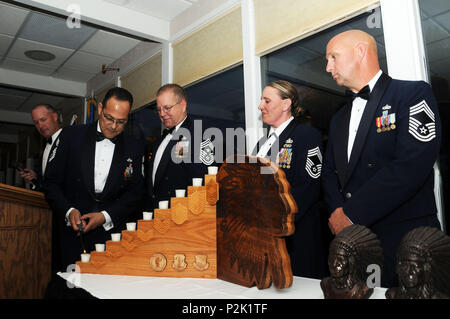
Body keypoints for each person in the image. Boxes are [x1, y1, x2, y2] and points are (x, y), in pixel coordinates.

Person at [322, 29, 442, 288]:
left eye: (333, 57)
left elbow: (411, 165)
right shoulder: (337, 118)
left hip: (406, 240)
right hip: (353, 239)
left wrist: (351, 214)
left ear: (360, 52)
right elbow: (329, 172)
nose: (328, 66)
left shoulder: (412, 95)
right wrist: (337, 214)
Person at [43, 87, 146, 269]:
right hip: (71, 234)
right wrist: (69, 211)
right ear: (99, 109)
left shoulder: (134, 146)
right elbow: (51, 183)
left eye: (121, 122)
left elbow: (135, 193)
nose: (114, 126)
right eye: (109, 118)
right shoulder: (71, 136)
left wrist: (105, 216)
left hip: (111, 236)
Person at [252, 80, 327, 279]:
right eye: (261, 101)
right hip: (263, 236)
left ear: (286, 104)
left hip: (295, 237)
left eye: (267, 101)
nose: (261, 106)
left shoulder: (306, 135)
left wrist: (275, 220)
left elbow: (309, 187)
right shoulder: (262, 144)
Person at [147, 84, 217, 210]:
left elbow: (203, 181)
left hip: (183, 215)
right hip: (158, 214)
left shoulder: (198, 134)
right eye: (159, 109)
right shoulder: (159, 141)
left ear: (183, 105)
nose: (162, 114)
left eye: (167, 108)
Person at [18, 104, 62, 191]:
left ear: (55, 116)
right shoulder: (45, 150)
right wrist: (35, 178)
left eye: (43, 120)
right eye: (36, 122)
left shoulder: (69, 140)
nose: (40, 126)